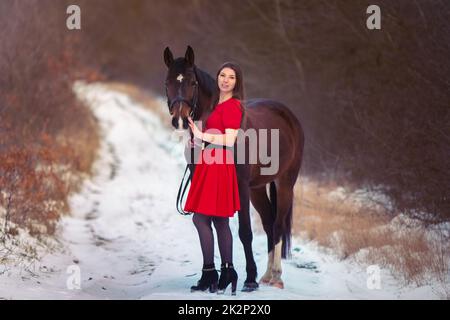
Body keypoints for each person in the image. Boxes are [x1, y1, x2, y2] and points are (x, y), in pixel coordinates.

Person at [184, 62, 244, 295]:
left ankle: (211, 272)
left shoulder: (233, 106)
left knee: (201, 219)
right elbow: (215, 135)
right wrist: (198, 141)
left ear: (237, 82)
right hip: (210, 162)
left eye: (231, 77)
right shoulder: (216, 103)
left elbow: (229, 141)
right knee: (219, 221)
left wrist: (201, 134)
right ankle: (226, 271)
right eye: (222, 75)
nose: (225, 80)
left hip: (219, 165)